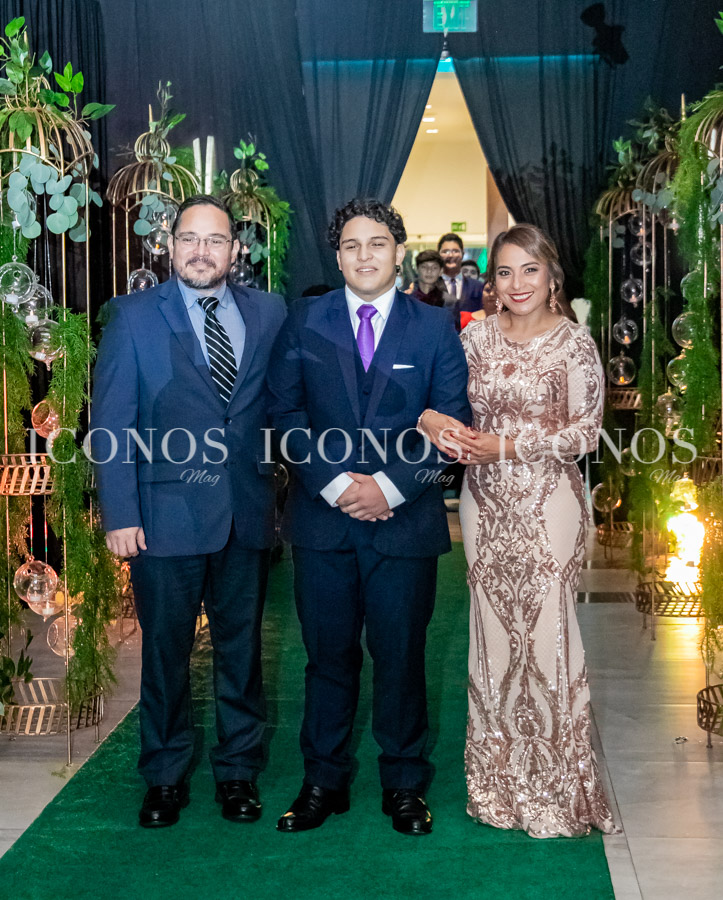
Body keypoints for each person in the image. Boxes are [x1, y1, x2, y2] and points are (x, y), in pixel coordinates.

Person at [267, 198, 470, 836]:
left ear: (398, 251)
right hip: (323, 525)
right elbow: (285, 414)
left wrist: (389, 487)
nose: (364, 255)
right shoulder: (304, 320)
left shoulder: (435, 328)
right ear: (337, 256)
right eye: (351, 245)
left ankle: (404, 784)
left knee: (402, 657)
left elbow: (452, 426)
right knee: (326, 658)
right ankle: (322, 782)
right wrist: (333, 485)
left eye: (377, 243)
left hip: (404, 526)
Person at [92, 195, 286, 829]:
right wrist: (119, 513)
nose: (202, 251)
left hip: (245, 513)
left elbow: (281, 405)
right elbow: (111, 421)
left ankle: (238, 772)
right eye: (190, 239)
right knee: (165, 654)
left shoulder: (270, 312)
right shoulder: (131, 316)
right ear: (170, 246)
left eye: (215, 240)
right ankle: (165, 776)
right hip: (161, 517)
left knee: (242, 653)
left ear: (236, 250)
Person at [418, 223, 615, 838]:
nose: (517, 282)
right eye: (505, 272)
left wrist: (505, 445)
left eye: (530, 269)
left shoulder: (573, 343)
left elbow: (586, 433)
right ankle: (499, 787)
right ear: (492, 282)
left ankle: (557, 789)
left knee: (548, 634)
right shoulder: (474, 339)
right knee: (493, 634)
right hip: (483, 503)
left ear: (551, 276)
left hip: (549, 502)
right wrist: (433, 422)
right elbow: (437, 400)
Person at [437, 232, 494, 317]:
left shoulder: (478, 287)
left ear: (463, 254)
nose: (451, 255)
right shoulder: (431, 287)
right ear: (438, 255)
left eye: (455, 251)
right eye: (446, 251)